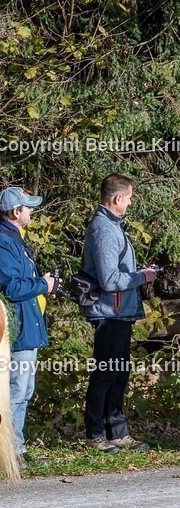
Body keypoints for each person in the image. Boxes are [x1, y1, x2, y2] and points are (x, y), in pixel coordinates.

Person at [81, 173, 157, 452]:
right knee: (105, 373)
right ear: (117, 198)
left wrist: (137, 275)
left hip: (120, 313)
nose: (130, 203)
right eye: (129, 198)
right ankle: (96, 434)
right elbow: (110, 279)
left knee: (119, 373)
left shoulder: (113, 227)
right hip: (108, 313)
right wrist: (142, 277)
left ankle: (118, 432)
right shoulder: (104, 229)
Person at [0, 187, 56, 466]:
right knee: (15, 391)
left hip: (27, 327)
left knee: (23, 391)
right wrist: (44, 284)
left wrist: (42, 284)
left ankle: (17, 447)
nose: (31, 212)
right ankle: (8, 452)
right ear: (16, 212)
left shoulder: (13, 240)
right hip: (17, 330)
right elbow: (12, 287)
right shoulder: (2, 242)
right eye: (28, 208)